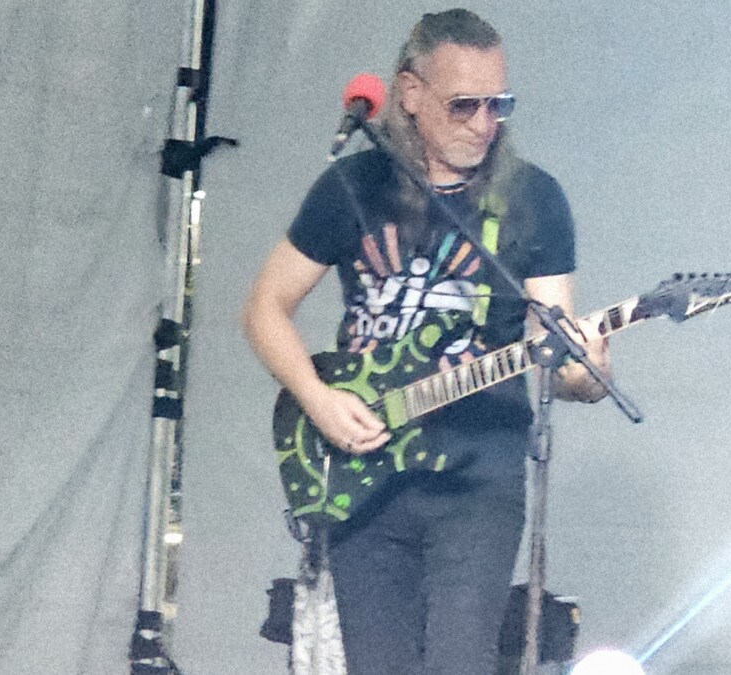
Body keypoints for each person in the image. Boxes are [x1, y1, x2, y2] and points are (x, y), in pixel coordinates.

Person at [243, 9, 610, 674]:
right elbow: (265, 308)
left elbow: (556, 355)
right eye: (463, 104)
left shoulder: (533, 199)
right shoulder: (352, 187)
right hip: (364, 475)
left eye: (498, 104)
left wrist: (585, 368)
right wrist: (317, 398)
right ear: (410, 93)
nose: (483, 123)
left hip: (477, 477)